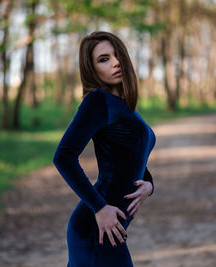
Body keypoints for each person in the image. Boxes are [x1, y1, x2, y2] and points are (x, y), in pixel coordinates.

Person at [53, 31, 156, 267]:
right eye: (104, 59)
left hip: (108, 229)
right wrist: (99, 208)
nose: (115, 62)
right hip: (96, 229)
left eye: (117, 55)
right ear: (92, 70)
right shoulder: (98, 101)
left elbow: (131, 158)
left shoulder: (124, 107)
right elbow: (64, 156)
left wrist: (149, 184)